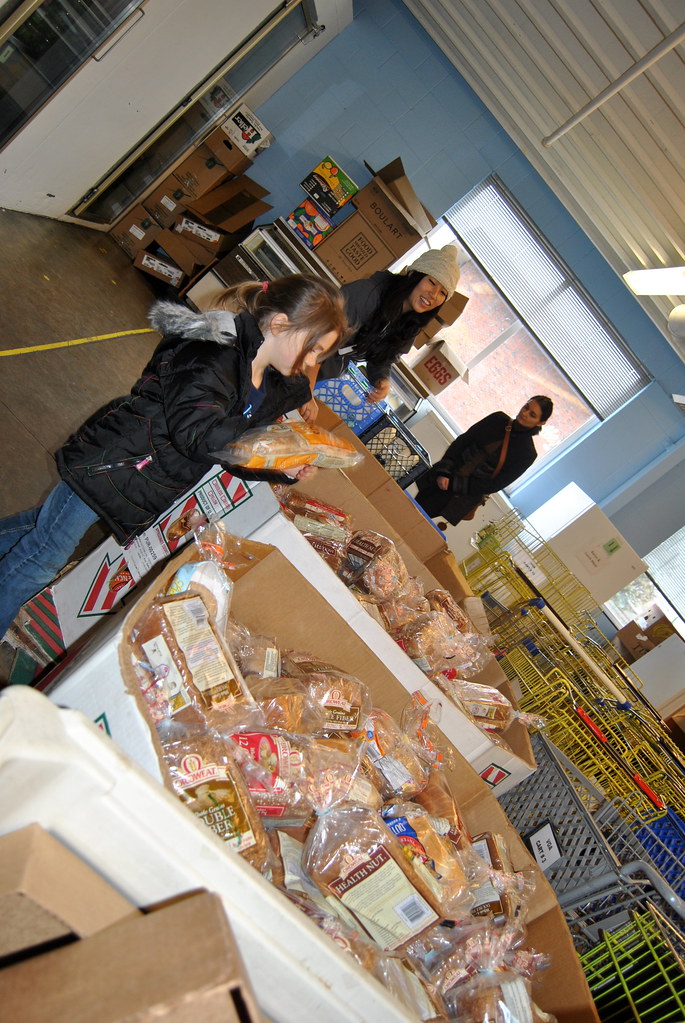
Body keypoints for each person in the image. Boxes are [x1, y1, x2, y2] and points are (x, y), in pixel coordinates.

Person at [0, 274, 347, 639]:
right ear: (279, 325)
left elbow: (231, 452)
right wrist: (261, 444)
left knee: (41, 526)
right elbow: (197, 434)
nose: (313, 363)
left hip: (144, 477)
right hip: (114, 462)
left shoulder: (269, 384)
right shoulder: (213, 354)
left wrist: (281, 466)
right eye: (313, 349)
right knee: (44, 555)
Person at [299, 244, 462, 420]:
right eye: (431, 282)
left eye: (442, 293)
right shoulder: (368, 293)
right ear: (414, 275)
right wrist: (305, 391)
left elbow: (382, 359)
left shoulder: (409, 325)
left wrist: (381, 379)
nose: (433, 295)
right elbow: (319, 339)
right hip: (295, 358)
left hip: (312, 375)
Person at [415, 396, 554, 526]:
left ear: (540, 423)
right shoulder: (498, 419)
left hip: (459, 496)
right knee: (410, 505)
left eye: (532, 415)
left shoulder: (527, 453)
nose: (525, 413)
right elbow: (464, 440)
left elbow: (496, 484)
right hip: (443, 474)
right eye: (526, 407)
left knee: (417, 521)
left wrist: (454, 484)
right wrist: (444, 471)